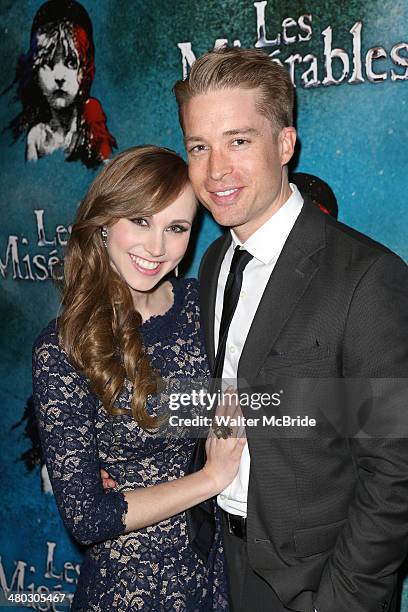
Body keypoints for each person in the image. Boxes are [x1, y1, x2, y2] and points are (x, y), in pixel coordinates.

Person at [170, 47, 408, 612]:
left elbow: (395, 469)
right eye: (199, 147)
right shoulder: (212, 264)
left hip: (315, 585)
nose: (215, 170)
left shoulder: (366, 278)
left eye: (239, 140)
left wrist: (339, 602)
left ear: (285, 144)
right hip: (220, 564)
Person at [33, 145, 246, 611]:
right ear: (105, 222)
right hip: (130, 588)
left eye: (176, 228)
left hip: (215, 577)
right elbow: (87, 517)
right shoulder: (63, 347)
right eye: (140, 221)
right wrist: (210, 478)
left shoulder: (201, 305)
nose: (156, 248)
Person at [7, 0, 116, 167]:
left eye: (71, 62)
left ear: (84, 69)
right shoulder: (37, 137)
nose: (59, 76)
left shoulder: (93, 126)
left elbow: (108, 172)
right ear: (35, 71)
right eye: (48, 63)